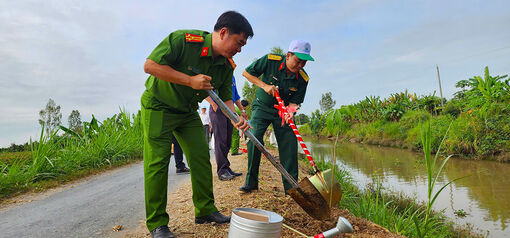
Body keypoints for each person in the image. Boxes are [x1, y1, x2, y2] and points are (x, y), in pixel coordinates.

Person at [141, 11, 253, 238]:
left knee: (201, 156)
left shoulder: (226, 66)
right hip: (158, 106)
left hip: (186, 111)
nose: (240, 49)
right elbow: (150, 66)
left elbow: (226, 99)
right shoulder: (183, 40)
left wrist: (236, 118)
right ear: (223, 33)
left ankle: (205, 210)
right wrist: (190, 80)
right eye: (238, 42)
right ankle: (157, 223)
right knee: (158, 163)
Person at [240, 40, 313, 194]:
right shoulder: (270, 60)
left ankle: (291, 188)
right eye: (298, 61)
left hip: (282, 112)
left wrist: (290, 112)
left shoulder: (303, 79)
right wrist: (264, 86)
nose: (300, 66)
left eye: (304, 63)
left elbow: (295, 102)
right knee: (254, 139)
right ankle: (251, 182)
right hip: (262, 107)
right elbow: (246, 73)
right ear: (288, 55)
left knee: (290, 144)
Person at [206, 76, 247, 181]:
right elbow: (203, 90)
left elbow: (236, 96)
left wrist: (242, 111)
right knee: (221, 139)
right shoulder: (215, 73)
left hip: (230, 109)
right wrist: (213, 103)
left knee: (228, 139)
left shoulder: (231, 77)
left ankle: (227, 167)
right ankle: (222, 170)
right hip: (218, 109)